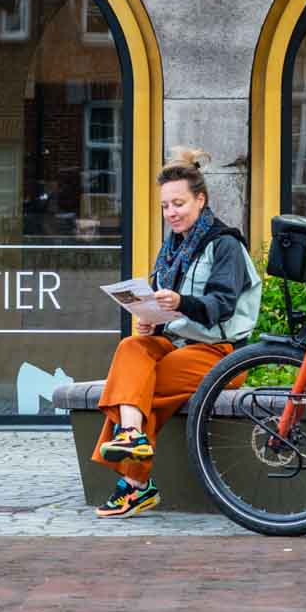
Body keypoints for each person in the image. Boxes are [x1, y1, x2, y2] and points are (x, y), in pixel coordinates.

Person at [90, 148, 262, 518]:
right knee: (132, 347)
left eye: (179, 203)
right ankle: (131, 438)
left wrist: (180, 303)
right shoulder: (172, 248)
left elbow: (221, 306)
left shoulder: (225, 244)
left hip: (223, 353)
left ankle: (135, 485)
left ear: (200, 200)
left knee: (141, 387)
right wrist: (150, 318)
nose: (171, 213)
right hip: (177, 343)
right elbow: (163, 304)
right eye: (166, 206)